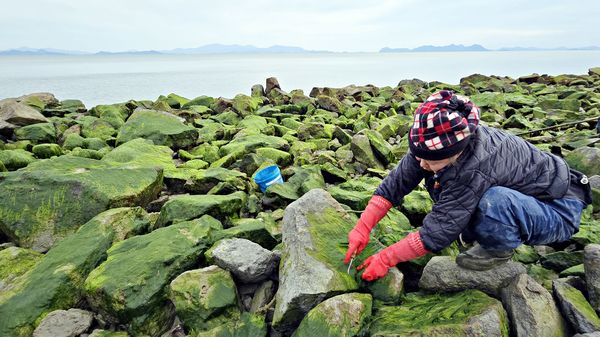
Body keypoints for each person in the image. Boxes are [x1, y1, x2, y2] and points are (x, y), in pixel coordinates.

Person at [344, 90, 593, 281]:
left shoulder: (474, 166)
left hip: (559, 209)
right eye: (417, 155)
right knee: (444, 184)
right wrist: (362, 228)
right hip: (529, 195)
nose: (421, 163)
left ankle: (499, 249)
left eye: (429, 159)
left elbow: (436, 233)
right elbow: (393, 186)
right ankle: (482, 229)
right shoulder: (430, 144)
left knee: (493, 202)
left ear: (456, 152)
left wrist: (386, 259)